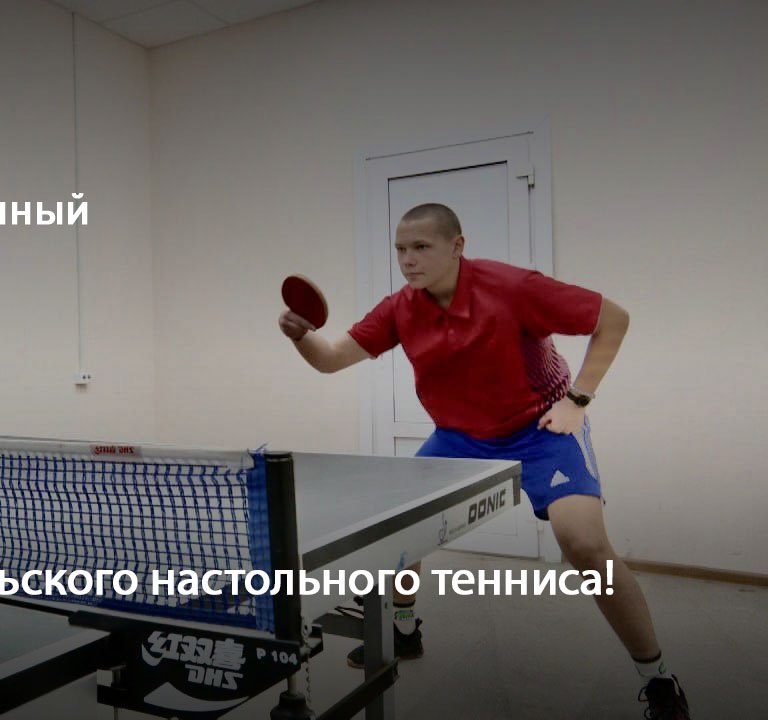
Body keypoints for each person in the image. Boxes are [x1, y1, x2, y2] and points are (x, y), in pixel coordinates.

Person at [279, 203, 691, 719]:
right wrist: (301, 336)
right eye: (401, 250)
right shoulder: (400, 308)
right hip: (459, 437)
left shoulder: (514, 288)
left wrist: (578, 400)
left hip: (542, 428)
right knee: (394, 527)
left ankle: (658, 678)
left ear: (457, 246)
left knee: (585, 545)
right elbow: (332, 358)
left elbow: (614, 319)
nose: (408, 260)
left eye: (421, 247)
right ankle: (403, 630)